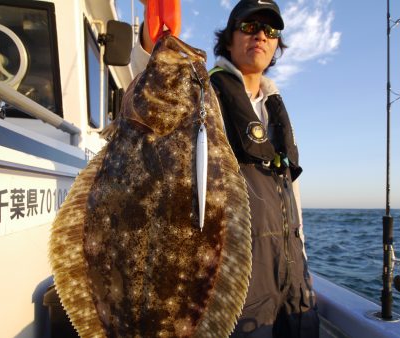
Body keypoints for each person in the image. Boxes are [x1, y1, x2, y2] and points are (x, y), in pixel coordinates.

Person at [131, 0, 320, 337]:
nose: (260, 35)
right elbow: (152, 84)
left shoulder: (276, 108)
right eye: (249, 27)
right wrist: (154, 32)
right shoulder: (203, 92)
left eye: (270, 30)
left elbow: (291, 196)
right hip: (237, 282)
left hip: (293, 286)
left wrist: (302, 262)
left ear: (277, 44)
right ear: (229, 38)